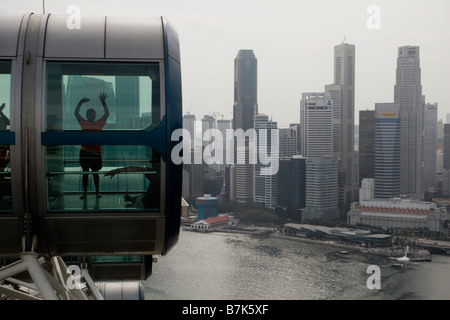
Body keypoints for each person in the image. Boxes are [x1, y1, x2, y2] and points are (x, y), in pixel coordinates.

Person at [75, 93, 110, 199]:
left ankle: (97, 192)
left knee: (95, 173)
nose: (90, 115)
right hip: (86, 151)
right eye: (89, 114)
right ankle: (85, 193)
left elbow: (107, 113)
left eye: (92, 114)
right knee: (85, 173)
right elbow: (76, 113)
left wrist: (103, 102)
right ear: (87, 116)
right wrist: (80, 103)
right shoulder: (84, 123)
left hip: (94, 152)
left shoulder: (98, 123)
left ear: (94, 116)